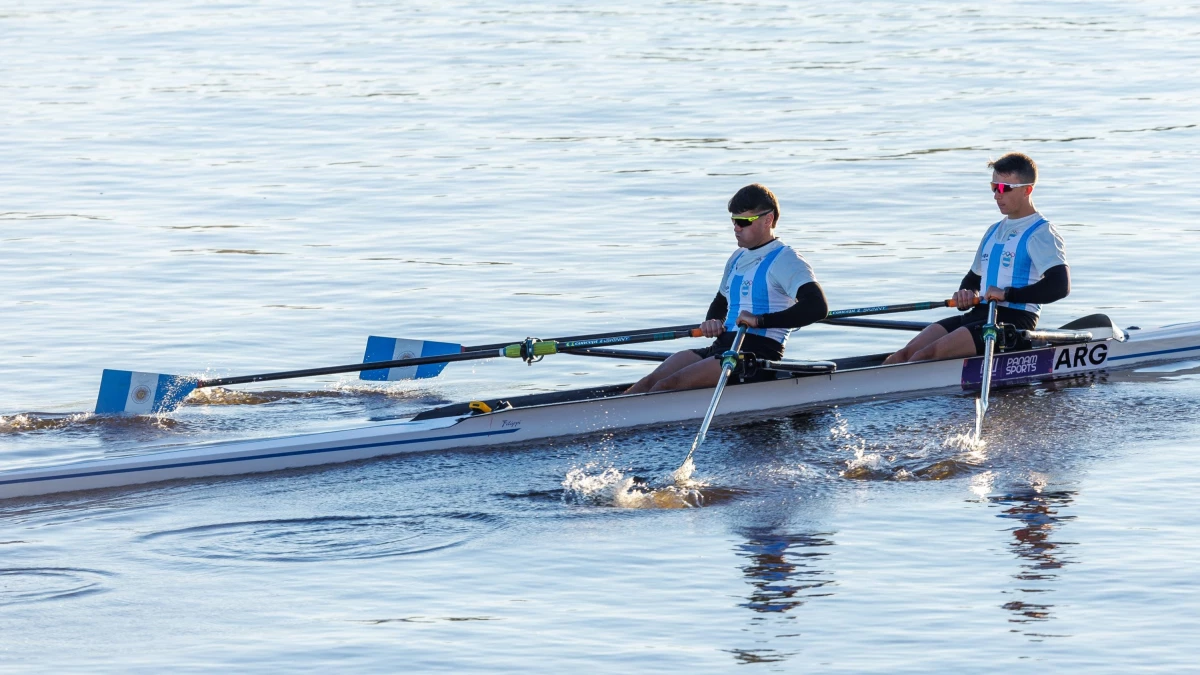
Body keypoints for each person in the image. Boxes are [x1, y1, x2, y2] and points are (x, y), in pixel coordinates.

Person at [625, 184, 828, 394]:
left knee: (666, 387)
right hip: (723, 347)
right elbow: (720, 302)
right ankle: (612, 421)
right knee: (649, 383)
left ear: (768, 220)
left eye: (743, 222)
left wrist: (760, 321)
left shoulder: (786, 259)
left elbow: (817, 307)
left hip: (754, 355)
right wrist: (713, 321)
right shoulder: (737, 257)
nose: (736, 228)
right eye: (733, 221)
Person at [883, 153, 1069, 365]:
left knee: (924, 357)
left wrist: (1008, 294)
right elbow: (973, 279)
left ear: (1028, 190)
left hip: (1012, 323)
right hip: (979, 315)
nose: (997, 195)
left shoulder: (1041, 233)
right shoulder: (993, 231)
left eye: (1004, 188)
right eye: (994, 187)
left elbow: (1060, 286)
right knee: (904, 355)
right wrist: (965, 295)